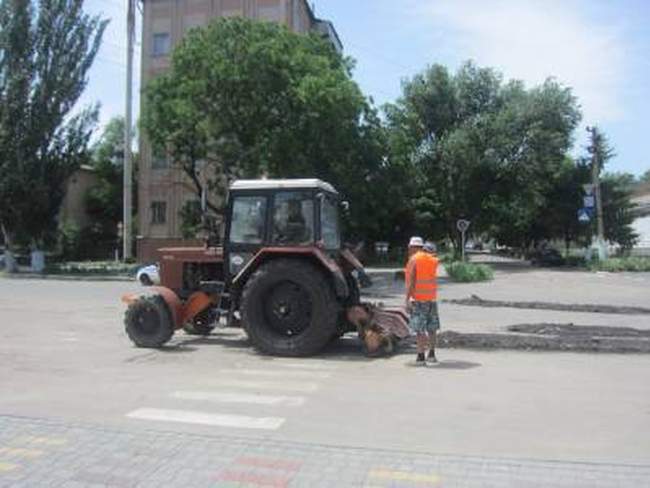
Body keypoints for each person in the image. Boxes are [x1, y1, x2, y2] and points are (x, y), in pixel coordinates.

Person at [405, 240, 440, 366]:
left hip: (419, 299)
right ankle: (432, 354)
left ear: (414, 247)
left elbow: (412, 281)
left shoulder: (415, 259)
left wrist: (407, 299)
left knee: (420, 329)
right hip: (431, 298)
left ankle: (420, 356)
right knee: (432, 328)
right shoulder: (433, 260)